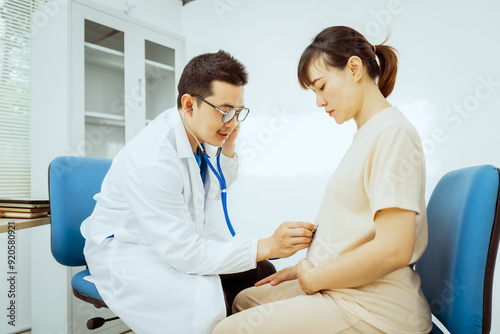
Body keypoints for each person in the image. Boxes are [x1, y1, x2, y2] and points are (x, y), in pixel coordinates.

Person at [212, 26, 432, 334]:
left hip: (375, 308)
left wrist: (316, 278)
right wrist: (309, 268)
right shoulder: (368, 135)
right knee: (245, 300)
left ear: (354, 68)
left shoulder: (393, 134)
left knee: (228, 331)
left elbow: (394, 248)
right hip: (347, 289)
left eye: (322, 87)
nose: (318, 102)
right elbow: (358, 231)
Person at [81, 50, 317, 334]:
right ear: (189, 104)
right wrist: (267, 244)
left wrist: (227, 147)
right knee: (206, 305)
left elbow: (217, 186)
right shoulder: (153, 159)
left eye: (238, 112)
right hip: (130, 251)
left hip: (171, 240)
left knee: (262, 272)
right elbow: (183, 252)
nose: (232, 122)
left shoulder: (196, 135)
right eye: (225, 110)